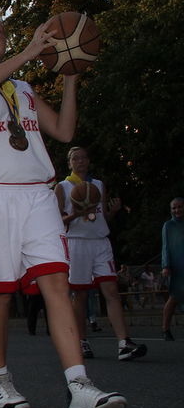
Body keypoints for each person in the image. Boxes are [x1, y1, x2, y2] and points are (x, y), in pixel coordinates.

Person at [0, 13, 125, 408]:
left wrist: (69, 74)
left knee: (57, 285)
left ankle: (79, 386)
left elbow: (63, 132)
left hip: (38, 197)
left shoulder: (23, 89)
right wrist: (31, 51)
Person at [55, 146, 147, 361]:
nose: (80, 161)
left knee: (111, 291)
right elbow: (57, 221)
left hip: (100, 242)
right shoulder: (63, 187)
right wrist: (76, 214)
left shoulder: (98, 185)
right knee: (81, 295)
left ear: (88, 160)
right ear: (69, 163)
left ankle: (124, 343)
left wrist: (112, 212)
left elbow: (102, 217)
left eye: (83, 157)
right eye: (75, 158)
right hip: (77, 243)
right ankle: (81, 341)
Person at [161, 197, 184, 341]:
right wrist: (165, 266)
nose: (177, 210)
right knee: (174, 298)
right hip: (176, 267)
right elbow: (165, 247)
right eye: (174, 208)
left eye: (180, 207)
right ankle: (165, 328)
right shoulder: (168, 226)